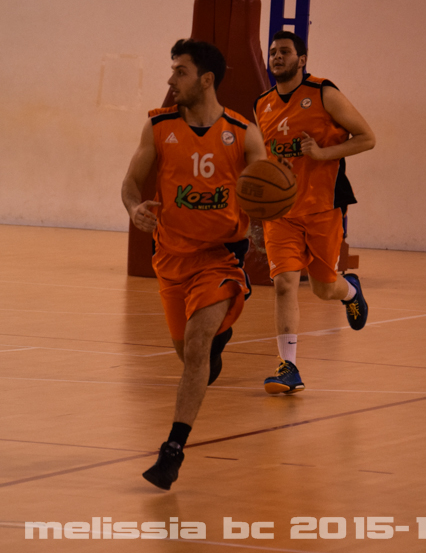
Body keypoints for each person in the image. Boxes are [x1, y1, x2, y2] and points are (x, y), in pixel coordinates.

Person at [122, 39, 267, 489]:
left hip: (220, 256)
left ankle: (172, 451)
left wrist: (264, 224)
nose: (171, 80)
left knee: (198, 344)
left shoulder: (244, 133)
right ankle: (215, 343)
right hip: (170, 257)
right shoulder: (158, 126)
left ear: (206, 79)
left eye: (180, 71)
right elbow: (130, 183)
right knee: (188, 354)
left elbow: (265, 190)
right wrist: (134, 208)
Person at [253, 30, 376, 395]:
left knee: (323, 288)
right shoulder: (262, 104)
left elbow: (367, 137)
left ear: (302, 60)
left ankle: (349, 291)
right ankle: (288, 366)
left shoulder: (324, 93)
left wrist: (322, 154)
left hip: (322, 205)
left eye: (285, 51)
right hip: (282, 210)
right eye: (273, 52)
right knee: (283, 284)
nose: (277, 57)